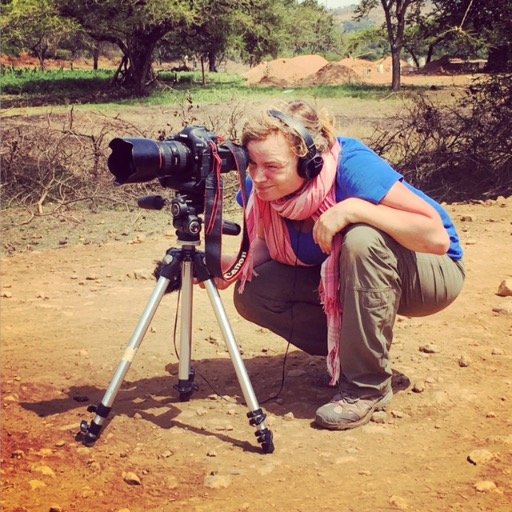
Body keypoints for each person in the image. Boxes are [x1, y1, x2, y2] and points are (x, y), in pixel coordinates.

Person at [216, 99, 465, 431]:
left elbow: (435, 238)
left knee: (361, 238)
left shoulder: (351, 165)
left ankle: (367, 387)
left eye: (272, 166)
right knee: (255, 289)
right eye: (252, 165)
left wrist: (353, 210)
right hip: (359, 277)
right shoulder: (262, 186)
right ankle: (354, 351)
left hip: (430, 270)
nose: (258, 178)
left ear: (309, 163)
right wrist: (234, 266)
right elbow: (270, 243)